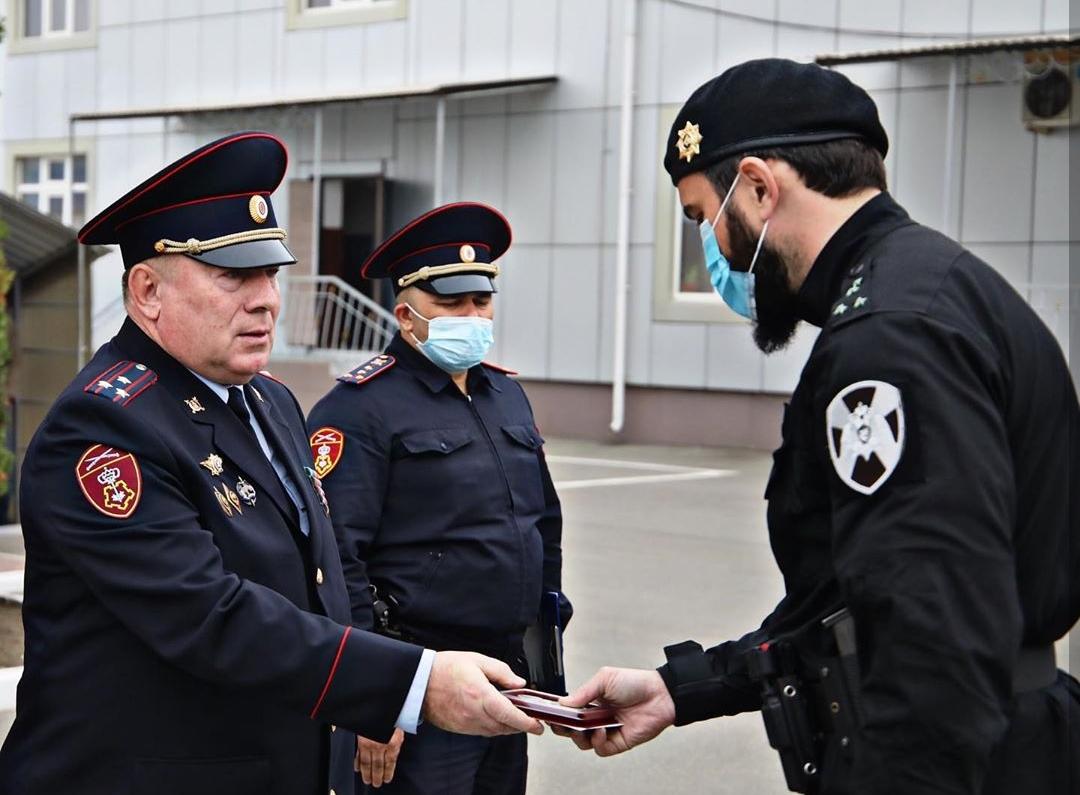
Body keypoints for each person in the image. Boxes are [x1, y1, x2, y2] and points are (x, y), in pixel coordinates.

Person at [558, 59, 1079, 795]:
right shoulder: (936, 286)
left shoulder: (890, 340)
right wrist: (687, 688)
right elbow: (845, 600)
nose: (715, 248)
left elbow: (931, 642)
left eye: (705, 216)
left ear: (762, 187)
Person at [0, 134, 544, 795]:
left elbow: (327, 574)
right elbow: (209, 615)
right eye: (234, 275)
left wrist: (365, 706)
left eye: (271, 273)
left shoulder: (271, 401)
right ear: (146, 290)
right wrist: (411, 682)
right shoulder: (102, 427)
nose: (266, 300)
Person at [307, 202, 571, 794]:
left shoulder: (505, 395)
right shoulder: (357, 409)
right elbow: (336, 562)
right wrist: (373, 697)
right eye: (451, 304)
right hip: (420, 687)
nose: (471, 316)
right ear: (406, 314)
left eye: (481, 302)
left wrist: (546, 650)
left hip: (507, 677)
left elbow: (540, 524)